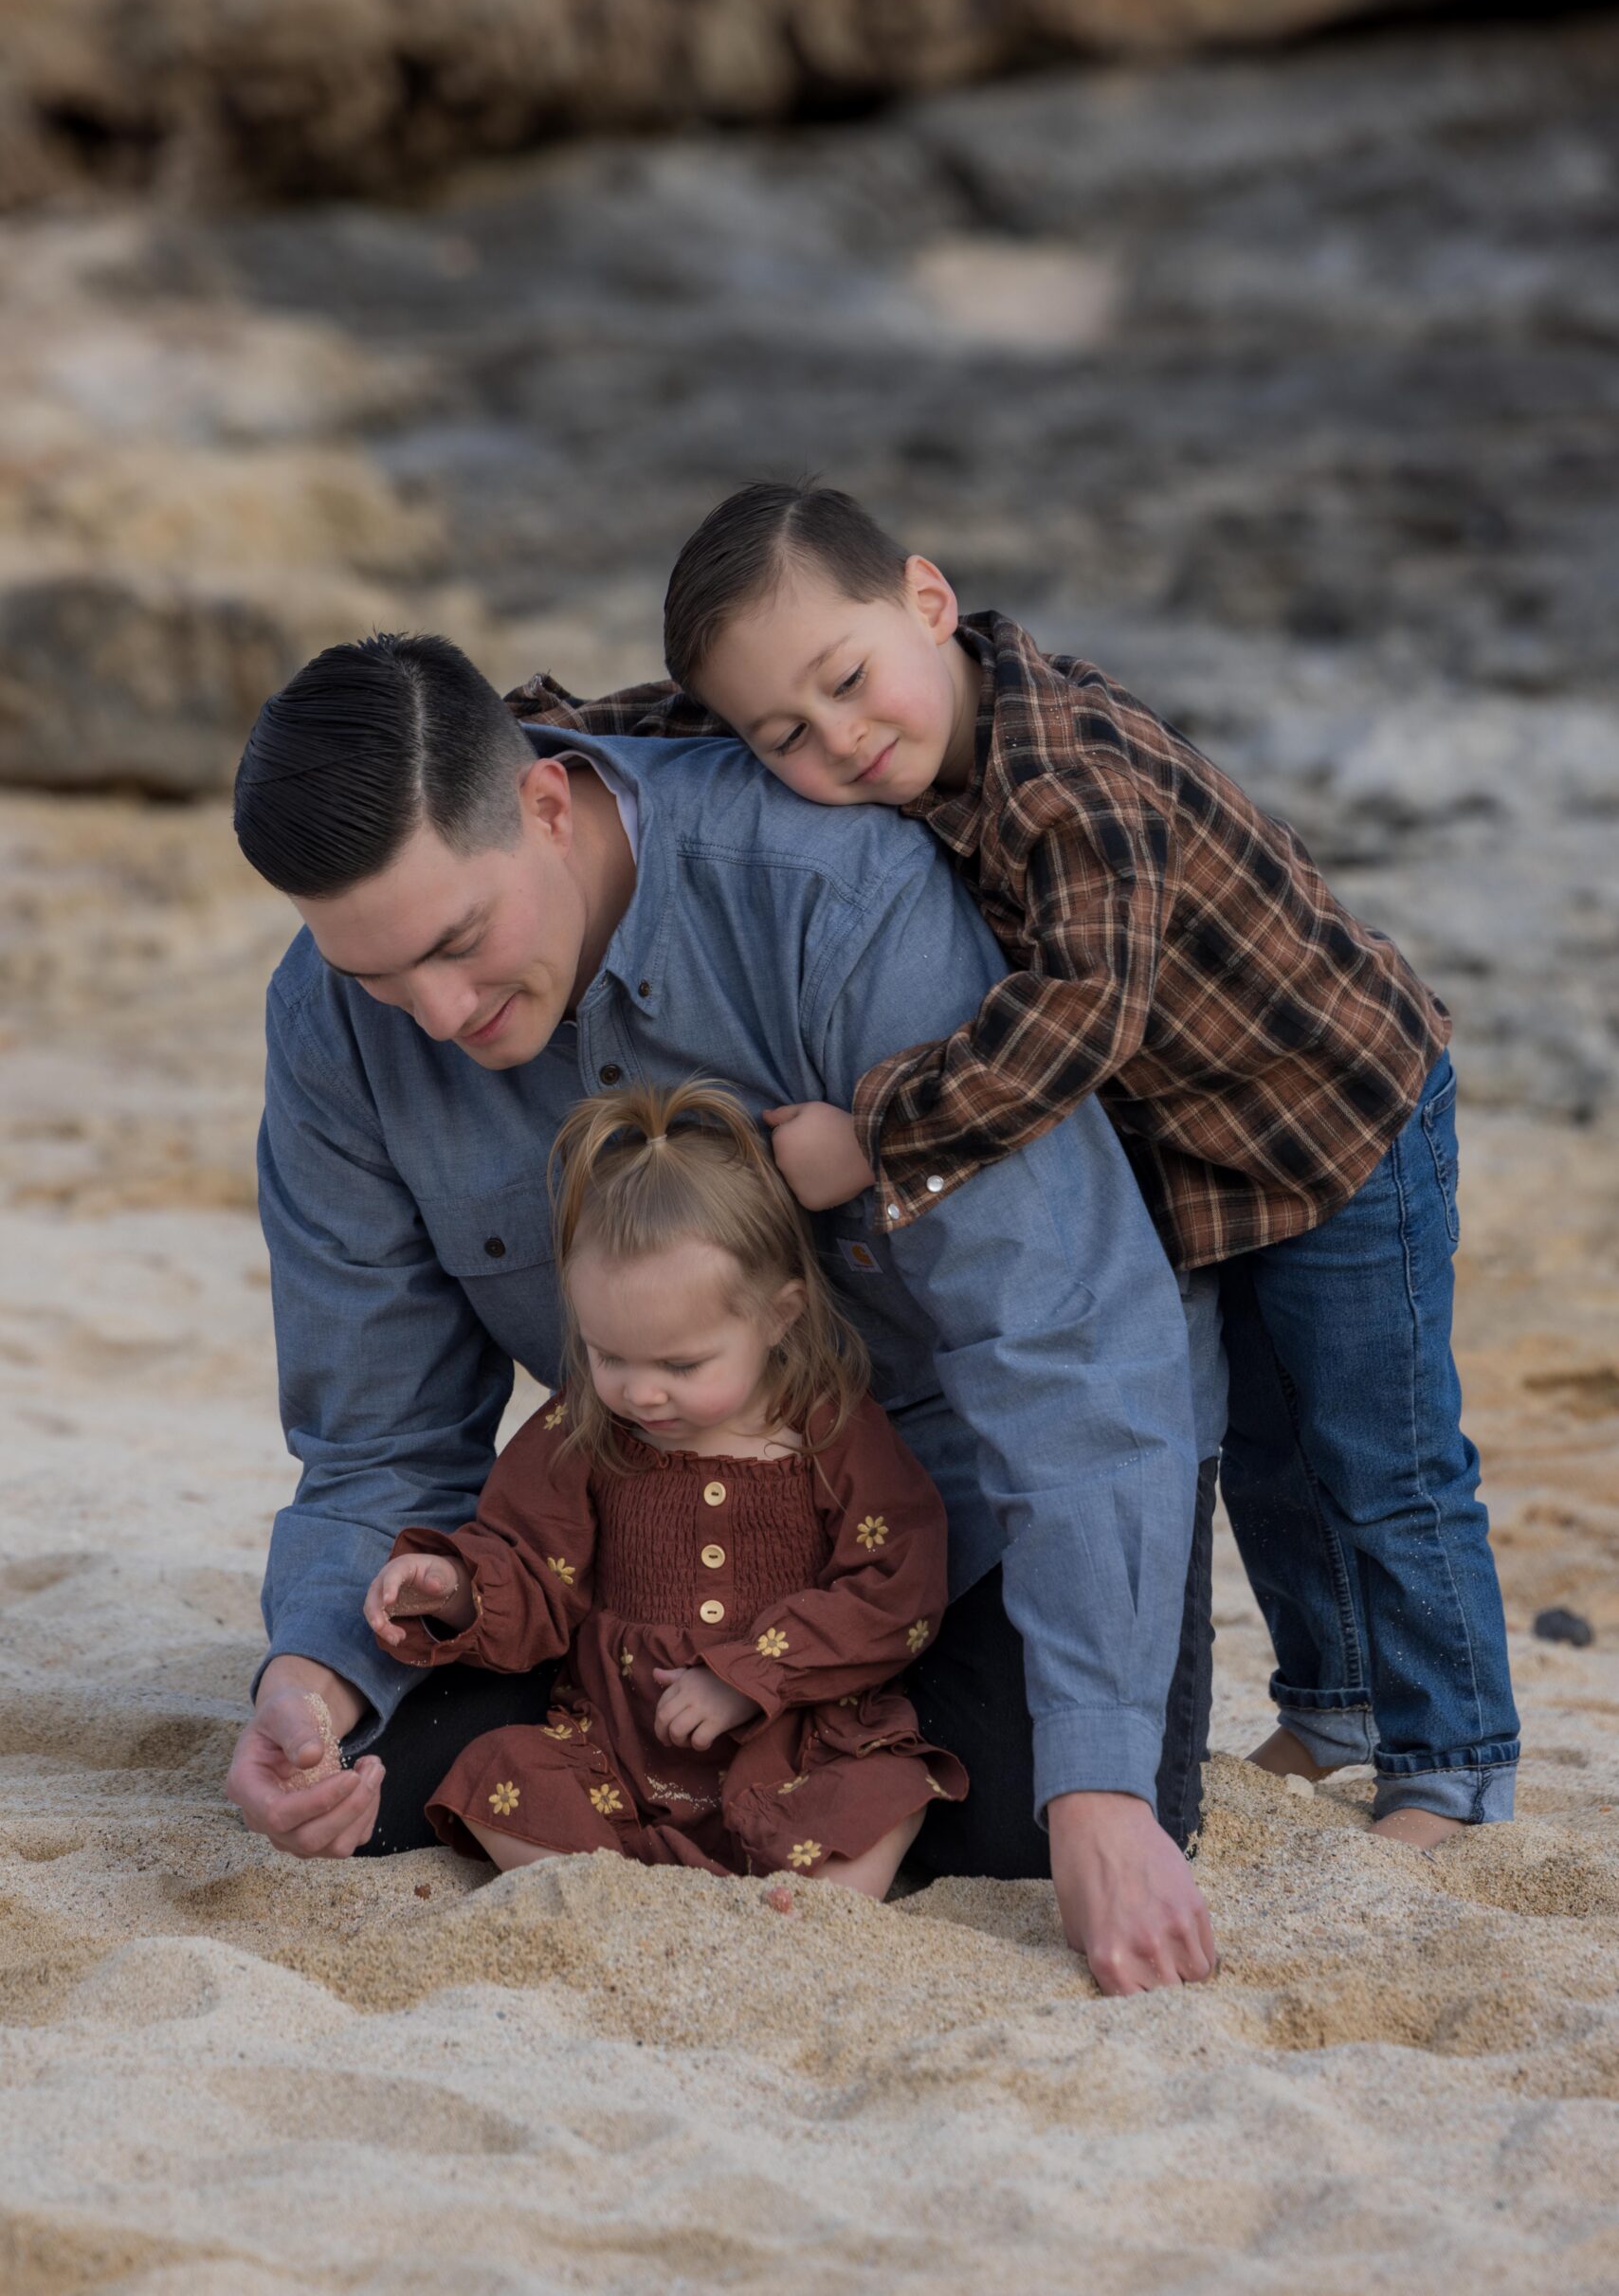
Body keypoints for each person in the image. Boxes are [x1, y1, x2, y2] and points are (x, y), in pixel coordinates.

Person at [518, 479, 1519, 1845]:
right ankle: (1335, 1700)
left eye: (848, 682)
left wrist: (873, 1137)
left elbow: (1079, 1019)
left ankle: (1454, 1757)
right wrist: (520, 738)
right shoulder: (859, 721)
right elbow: (671, 731)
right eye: (785, 734)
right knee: (1264, 1448)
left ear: (928, 601)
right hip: (1196, 1164)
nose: (839, 738)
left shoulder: (1076, 782)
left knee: (1376, 1454)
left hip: (1336, 1123)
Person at [227, 631, 1222, 1995]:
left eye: (458, 943)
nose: (437, 1014)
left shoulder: (828, 896)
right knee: (375, 1783)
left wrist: (1101, 1786)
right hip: (620, 1558)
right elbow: (378, 1437)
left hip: (959, 1506)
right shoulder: (328, 1021)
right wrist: (306, 1680)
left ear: (545, 804)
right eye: (378, 976)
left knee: (1026, 1825)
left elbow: (1064, 1336)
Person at [363, 1076, 966, 1891]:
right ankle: (611, 1899)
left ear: (780, 1315)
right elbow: (533, 1565)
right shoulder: (583, 1427)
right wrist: (457, 1588)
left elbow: (896, 1586)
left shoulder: (831, 1430)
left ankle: (812, 1917)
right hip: (621, 1743)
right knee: (495, 1774)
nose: (641, 1393)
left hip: (796, 1734)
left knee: (886, 1788)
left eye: (682, 1365)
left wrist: (751, 1675)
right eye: (608, 1355)